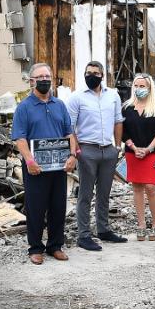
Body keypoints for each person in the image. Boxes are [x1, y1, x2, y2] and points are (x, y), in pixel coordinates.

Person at [12, 63, 78, 264]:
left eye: (47, 76)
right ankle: (35, 248)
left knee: (58, 206)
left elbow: (69, 133)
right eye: (40, 77)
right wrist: (29, 160)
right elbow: (19, 138)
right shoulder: (24, 108)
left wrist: (73, 155)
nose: (44, 80)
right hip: (35, 167)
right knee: (36, 208)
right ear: (32, 81)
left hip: (59, 166)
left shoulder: (59, 105)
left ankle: (55, 246)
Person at [67, 61, 126, 251]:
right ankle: (84, 235)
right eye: (88, 72)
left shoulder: (113, 95)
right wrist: (76, 152)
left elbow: (118, 121)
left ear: (102, 75)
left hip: (108, 150)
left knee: (104, 193)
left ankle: (103, 229)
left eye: (95, 72)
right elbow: (69, 128)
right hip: (87, 151)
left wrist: (117, 147)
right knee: (85, 194)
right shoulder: (77, 97)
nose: (91, 75)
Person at [121, 73, 155, 241]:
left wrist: (147, 149)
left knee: (150, 187)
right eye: (136, 86)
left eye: (143, 86)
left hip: (151, 152)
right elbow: (123, 132)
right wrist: (133, 147)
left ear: (150, 88)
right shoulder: (127, 106)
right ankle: (141, 224)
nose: (139, 89)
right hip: (132, 152)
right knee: (137, 188)